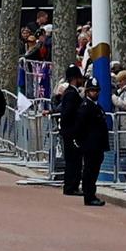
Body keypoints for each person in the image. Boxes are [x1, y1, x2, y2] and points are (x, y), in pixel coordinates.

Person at [74, 81, 109, 206]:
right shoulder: (85, 107)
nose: (95, 93)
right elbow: (79, 127)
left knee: (94, 170)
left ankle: (91, 194)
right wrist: (82, 143)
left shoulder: (96, 106)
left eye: (96, 90)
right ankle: (89, 196)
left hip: (97, 145)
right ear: (87, 92)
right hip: (90, 145)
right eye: (92, 90)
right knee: (90, 170)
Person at [56, 68, 86, 196]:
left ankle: (71, 185)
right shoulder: (71, 94)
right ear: (75, 78)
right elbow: (68, 113)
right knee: (74, 161)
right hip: (72, 132)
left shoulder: (69, 93)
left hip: (69, 131)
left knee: (73, 160)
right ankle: (71, 186)